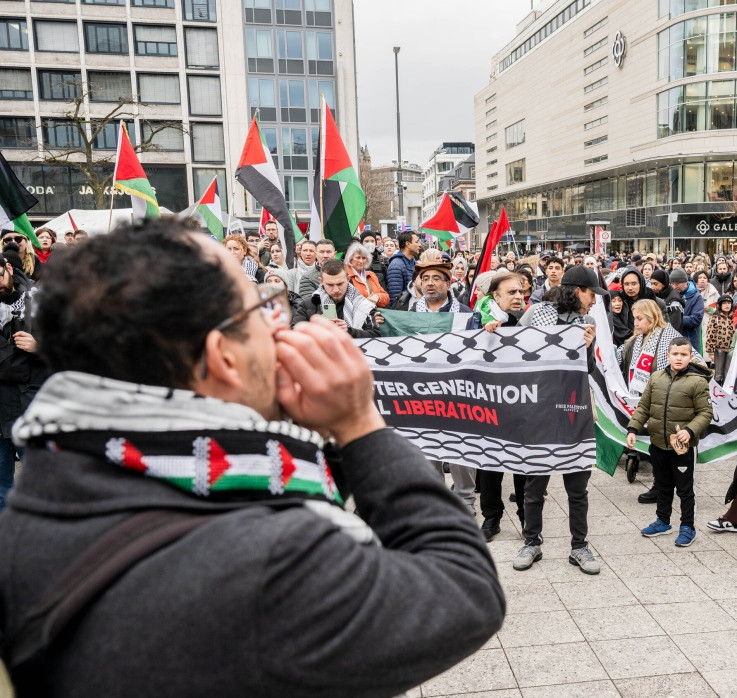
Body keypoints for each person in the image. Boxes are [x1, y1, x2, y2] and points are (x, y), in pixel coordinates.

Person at [0, 219, 504, 696]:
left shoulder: (47, 491)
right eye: (260, 308)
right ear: (224, 356)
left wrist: (308, 432)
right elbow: (465, 590)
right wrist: (359, 426)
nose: (277, 321)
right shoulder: (269, 562)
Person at [515, 265, 604, 575]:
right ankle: (531, 542)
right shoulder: (537, 313)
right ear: (577, 290)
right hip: (539, 410)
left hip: (573, 411)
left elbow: (588, 370)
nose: (594, 301)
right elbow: (512, 350)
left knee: (577, 487)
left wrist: (589, 347)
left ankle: (579, 546)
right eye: (592, 294)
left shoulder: (589, 321)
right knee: (534, 484)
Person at [628, 337, 713, 548]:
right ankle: (663, 521)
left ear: (690, 357)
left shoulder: (697, 382)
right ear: (667, 356)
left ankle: (687, 527)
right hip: (658, 444)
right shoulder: (656, 377)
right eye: (675, 354)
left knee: (684, 489)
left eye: (683, 355)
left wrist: (690, 430)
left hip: (682, 448)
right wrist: (633, 428)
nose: (679, 358)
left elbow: (705, 412)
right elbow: (644, 407)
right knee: (663, 485)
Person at [470, 272, 528, 540]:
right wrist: (483, 335)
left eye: (520, 292)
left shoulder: (529, 321)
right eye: (512, 293)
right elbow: (464, 352)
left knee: (523, 462)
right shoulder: (477, 318)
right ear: (495, 296)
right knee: (490, 461)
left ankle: (527, 515)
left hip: (521, 402)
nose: (518, 297)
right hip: (488, 402)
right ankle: (491, 517)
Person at [0, 254, 44, 512]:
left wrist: (40, 345)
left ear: (7, 267)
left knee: (39, 481)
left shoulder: (39, 299)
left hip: (28, 404)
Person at [291, 259, 381, 338]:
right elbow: (294, 334)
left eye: (340, 284)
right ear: (321, 281)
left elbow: (375, 336)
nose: (336, 290)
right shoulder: (308, 304)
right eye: (330, 285)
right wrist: (315, 326)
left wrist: (349, 331)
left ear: (348, 279)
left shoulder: (363, 305)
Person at [344, 242, 390, 308]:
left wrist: (378, 297)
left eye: (364, 258)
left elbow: (386, 297)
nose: (361, 261)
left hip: (373, 315)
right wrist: (365, 302)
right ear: (350, 258)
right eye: (358, 257)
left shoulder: (371, 275)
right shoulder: (344, 275)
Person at [705, 296, 736, 381]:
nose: (727, 305)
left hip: (730, 350)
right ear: (719, 305)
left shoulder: (733, 318)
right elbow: (710, 335)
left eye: (729, 303)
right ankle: (716, 392)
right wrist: (710, 352)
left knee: (727, 373)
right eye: (724, 303)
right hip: (718, 350)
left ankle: (725, 392)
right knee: (718, 373)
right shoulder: (715, 318)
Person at [673, 268, 704, 350]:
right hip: (673, 340)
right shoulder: (671, 295)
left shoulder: (696, 297)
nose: (674, 287)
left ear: (685, 282)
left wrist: (675, 319)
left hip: (689, 340)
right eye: (672, 284)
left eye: (677, 284)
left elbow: (696, 319)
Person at [386, 232, 420, 301]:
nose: (420, 245)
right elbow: (395, 298)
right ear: (408, 244)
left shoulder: (415, 263)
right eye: (416, 242)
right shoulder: (396, 265)